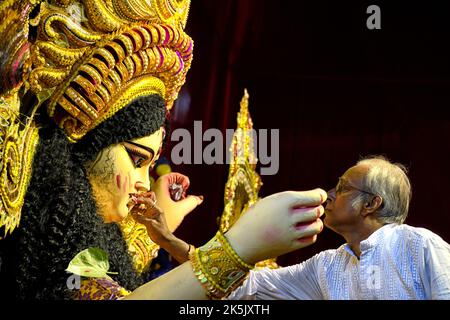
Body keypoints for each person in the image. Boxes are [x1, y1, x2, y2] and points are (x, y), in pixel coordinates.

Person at [0, 0, 327, 300]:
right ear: (84, 141)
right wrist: (239, 247)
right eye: (137, 159)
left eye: (150, 164)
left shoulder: (82, 232)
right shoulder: (43, 235)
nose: (143, 181)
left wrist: (162, 227)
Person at [226, 156, 450, 300]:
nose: (330, 195)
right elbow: (253, 287)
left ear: (370, 204)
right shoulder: (327, 266)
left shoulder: (420, 246)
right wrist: (197, 255)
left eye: (343, 188)